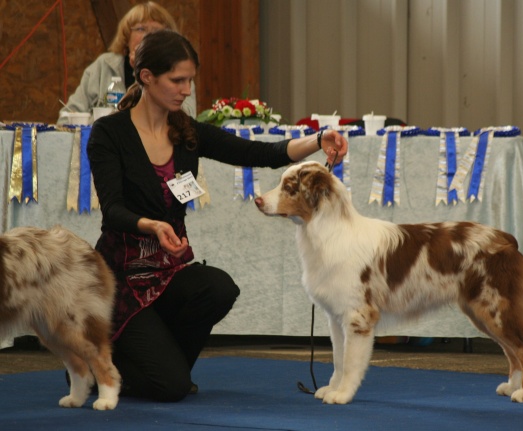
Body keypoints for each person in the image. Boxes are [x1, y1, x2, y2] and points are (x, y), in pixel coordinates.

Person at [86, 29, 348, 402]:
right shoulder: (109, 133)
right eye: (177, 80)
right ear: (146, 77)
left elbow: (259, 153)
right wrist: (152, 225)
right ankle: (102, 371)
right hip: (121, 281)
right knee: (172, 387)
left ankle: (161, 365)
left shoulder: (186, 131)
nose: (186, 90)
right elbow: (112, 211)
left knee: (218, 288)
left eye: (190, 80)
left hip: (167, 270)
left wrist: (318, 138)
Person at [57, 1, 196, 124]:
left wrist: (141, 71)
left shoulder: (179, 73)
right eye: (141, 29)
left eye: (156, 30)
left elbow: (187, 120)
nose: (147, 35)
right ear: (126, 36)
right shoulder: (103, 66)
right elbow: (66, 119)